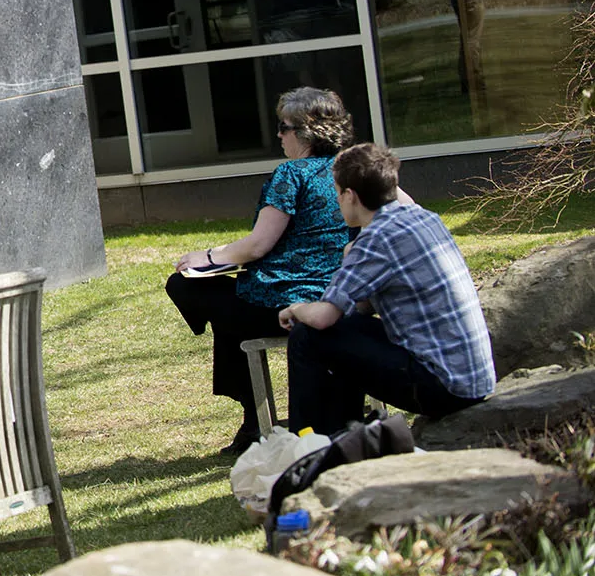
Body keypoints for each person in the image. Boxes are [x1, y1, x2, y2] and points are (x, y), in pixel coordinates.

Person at [164, 87, 354, 455]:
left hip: (284, 306)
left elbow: (257, 246)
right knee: (230, 309)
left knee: (188, 288)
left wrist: (204, 256)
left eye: (283, 128)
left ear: (304, 132)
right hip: (338, 298)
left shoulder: (292, 174)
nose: (279, 136)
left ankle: (253, 418)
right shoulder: (353, 169)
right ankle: (252, 420)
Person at [279, 143, 495, 435]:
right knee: (346, 330)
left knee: (308, 335)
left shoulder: (375, 240)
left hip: (441, 386)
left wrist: (295, 308)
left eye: (337, 192)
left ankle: (310, 445)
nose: (337, 199)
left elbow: (322, 317)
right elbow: (363, 308)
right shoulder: (423, 218)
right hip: (472, 379)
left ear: (350, 196)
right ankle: (340, 434)